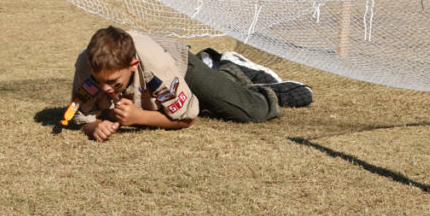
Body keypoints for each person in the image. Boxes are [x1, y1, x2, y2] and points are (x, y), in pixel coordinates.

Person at [69, 26, 313, 141]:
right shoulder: (88, 65)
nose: (104, 89)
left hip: (182, 66)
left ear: (132, 65)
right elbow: (79, 115)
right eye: (99, 82)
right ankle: (219, 71)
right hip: (154, 78)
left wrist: (138, 117)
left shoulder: (157, 68)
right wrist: (94, 129)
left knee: (251, 112)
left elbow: (186, 119)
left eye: (113, 83)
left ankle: (230, 67)